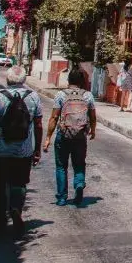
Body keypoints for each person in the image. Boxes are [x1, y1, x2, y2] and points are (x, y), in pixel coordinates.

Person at [0, 69, 42, 234]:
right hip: (23, 151)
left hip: (0, 151)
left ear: (8, 79)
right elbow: (38, 125)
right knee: (20, 184)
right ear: (23, 79)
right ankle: (16, 208)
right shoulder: (33, 97)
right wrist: (37, 149)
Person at [43, 65, 96, 206]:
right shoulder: (87, 95)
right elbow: (93, 116)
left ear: (69, 79)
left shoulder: (61, 95)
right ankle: (79, 184)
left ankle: (61, 197)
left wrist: (48, 137)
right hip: (80, 136)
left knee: (61, 166)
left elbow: (54, 117)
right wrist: (93, 130)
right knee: (79, 164)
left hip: (63, 135)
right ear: (81, 80)